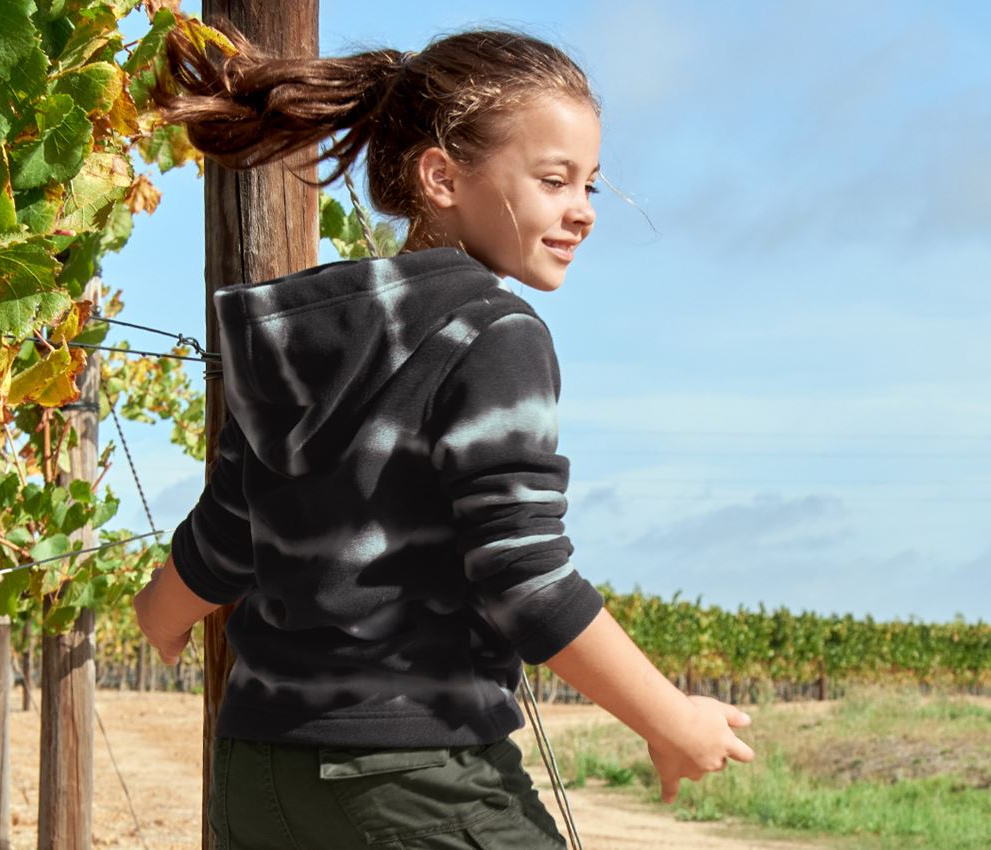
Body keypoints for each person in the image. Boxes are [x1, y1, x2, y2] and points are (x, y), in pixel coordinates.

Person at [133, 16, 754, 850]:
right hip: (415, 776)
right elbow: (524, 578)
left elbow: (229, 533)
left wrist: (160, 616)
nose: (583, 212)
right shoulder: (495, 332)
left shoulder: (293, 333)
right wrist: (673, 719)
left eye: (591, 186)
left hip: (258, 779)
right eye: (553, 180)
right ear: (441, 177)